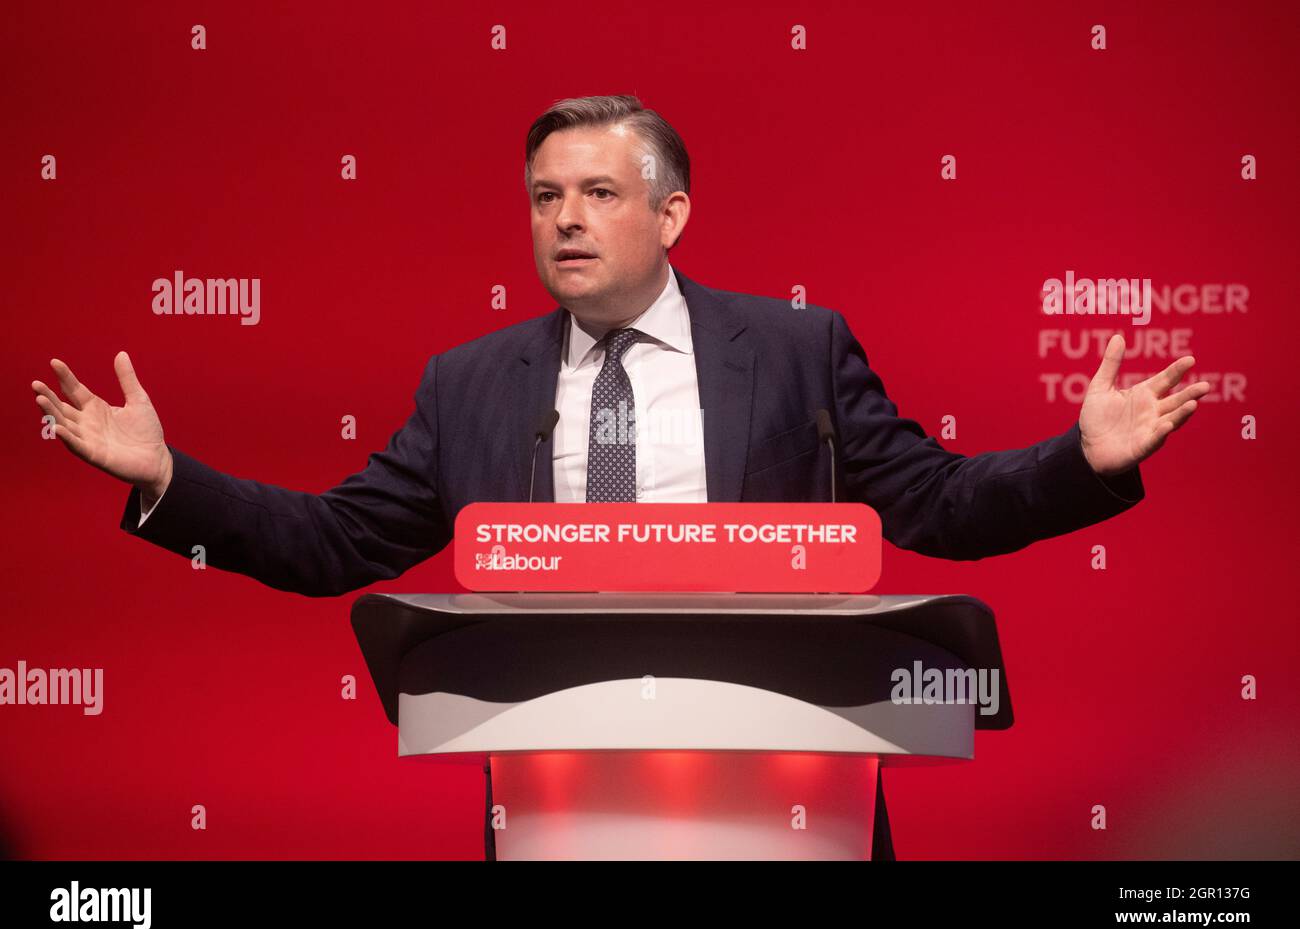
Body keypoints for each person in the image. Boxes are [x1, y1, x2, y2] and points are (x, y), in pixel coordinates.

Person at [30, 95, 1209, 859]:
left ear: (672, 211)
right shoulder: (470, 382)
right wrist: (169, 479)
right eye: (544, 198)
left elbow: (938, 504)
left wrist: (1079, 463)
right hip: (559, 793)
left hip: (784, 793)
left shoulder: (797, 348)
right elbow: (336, 543)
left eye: (598, 194)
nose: (564, 222)